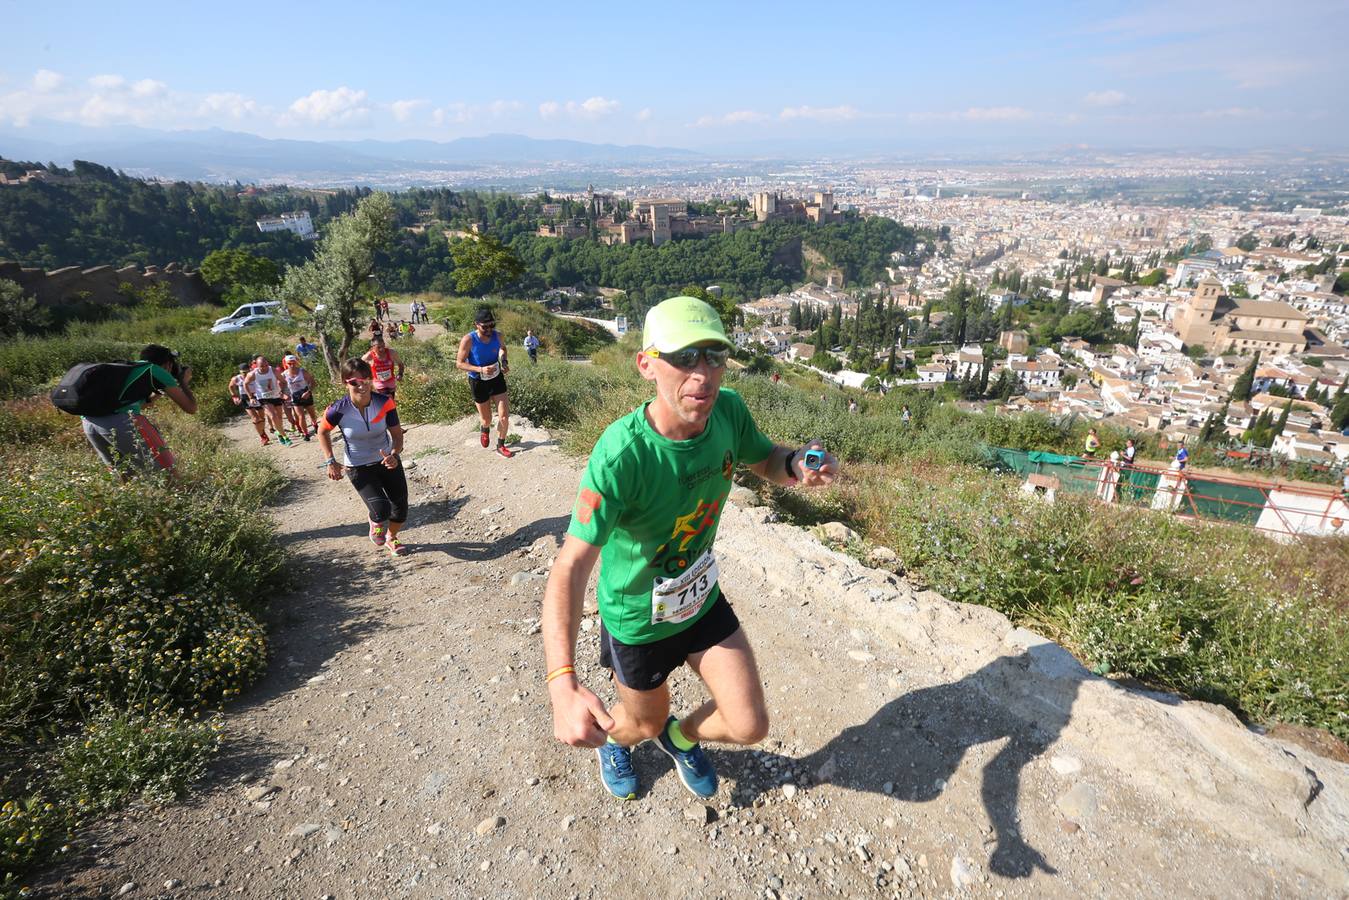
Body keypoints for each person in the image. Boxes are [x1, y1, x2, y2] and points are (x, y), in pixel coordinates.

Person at [542, 296, 839, 801]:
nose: (702, 374)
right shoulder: (621, 456)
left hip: (698, 598)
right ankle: (616, 741)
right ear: (646, 364)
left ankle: (679, 738)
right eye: (683, 357)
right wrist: (561, 682)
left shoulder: (728, 411)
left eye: (714, 356)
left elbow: (765, 458)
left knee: (748, 724)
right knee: (641, 722)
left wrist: (794, 464)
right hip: (639, 620)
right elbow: (570, 566)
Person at [318, 358, 410, 557]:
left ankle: (392, 537)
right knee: (381, 509)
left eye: (366, 380)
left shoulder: (384, 402)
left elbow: (397, 435)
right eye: (354, 382)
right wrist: (330, 461)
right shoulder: (338, 409)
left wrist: (395, 454)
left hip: (387, 461)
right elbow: (322, 431)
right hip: (358, 466)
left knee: (401, 508)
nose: (361, 386)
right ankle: (375, 522)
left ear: (371, 379)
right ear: (345, 383)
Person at [80, 344, 196, 476]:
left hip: (89, 423)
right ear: (168, 364)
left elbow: (138, 405)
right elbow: (191, 408)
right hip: (121, 423)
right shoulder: (156, 370)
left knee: (126, 476)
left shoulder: (130, 369)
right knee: (168, 473)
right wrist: (183, 382)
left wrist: (160, 390)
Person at [457, 307, 513, 458]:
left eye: (491, 325)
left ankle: (501, 445)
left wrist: (504, 361)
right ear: (476, 324)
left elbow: (503, 349)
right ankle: (485, 428)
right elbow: (460, 363)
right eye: (485, 326)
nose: (489, 329)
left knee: (504, 416)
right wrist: (480, 369)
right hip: (478, 381)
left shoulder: (498, 336)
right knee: (487, 419)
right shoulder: (468, 340)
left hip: (496, 379)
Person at [243, 356, 292, 446]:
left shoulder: (273, 371)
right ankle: (285, 437)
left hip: (276, 396)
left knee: (279, 418)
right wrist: (251, 397)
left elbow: (283, 382)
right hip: (263, 398)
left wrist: (283, 392)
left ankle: (278, 433)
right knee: (273, 416)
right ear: (257, 366)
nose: (264, 368)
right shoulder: (253, 374)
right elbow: (245, 384)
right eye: (262, 366)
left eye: (266, 365)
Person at [282, 354, 319, 439]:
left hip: (306, 393)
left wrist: (308, 392)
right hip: (295, 396)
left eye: (293, 363)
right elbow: (278, 387)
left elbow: (313, 383)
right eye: (289, 363)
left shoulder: (302, 372)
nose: (292, 365)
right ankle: (306, 434)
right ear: (286, 364)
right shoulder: (284, 375)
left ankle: (315, 424)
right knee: (301, 416)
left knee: (312, 415)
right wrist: (283, 395)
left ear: (296, 362)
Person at [230, 361, 268, 443]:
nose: (245, 374)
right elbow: (231, 386)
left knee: (261, 418)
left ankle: (262, 431)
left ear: (250, 370)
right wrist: (234, 396)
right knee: (255, 418)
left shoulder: (254, 376)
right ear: (240, 371)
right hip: (245, 398)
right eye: (243, 372)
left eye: (247, 372)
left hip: (256, 396)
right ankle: (262, 436)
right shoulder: (236, 378)